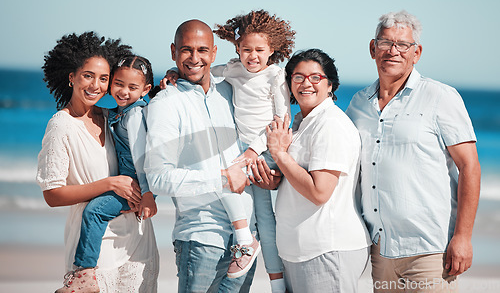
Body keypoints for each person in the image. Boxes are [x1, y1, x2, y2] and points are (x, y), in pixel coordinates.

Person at [346, 10, 481, 292]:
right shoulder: (358, 104)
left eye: (402, 45)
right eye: (385, 43)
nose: (393, 51)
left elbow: (469, 166)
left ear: (416, 52)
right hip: (380, 251)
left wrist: (463, 237)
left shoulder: (440, 96)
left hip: (430, 251)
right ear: (373, 49)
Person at [144, 19, 281, 292]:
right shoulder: (166, 103)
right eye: (186, 50)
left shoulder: (229, 92)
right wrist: (223, 178)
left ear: (215, 53)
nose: (195, 58)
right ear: (174, 51)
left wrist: (269, 177)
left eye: (202, 50)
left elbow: (256, 132)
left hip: (245, 244)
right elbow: (158, 178)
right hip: (202, 239)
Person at [37, 32, 159, 293]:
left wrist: (165, 86)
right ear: (72, 77)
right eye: (88, 75)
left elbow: (143, 115)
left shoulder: (111, 117)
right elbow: (52, 195)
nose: (95, 85)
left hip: (138, 242)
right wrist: (109, 184)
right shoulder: (61, 126)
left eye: (104, 78)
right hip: (96, 253)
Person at [267, 49, 371, 292]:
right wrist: (274, 177)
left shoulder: (330, 124)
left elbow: (319, 192)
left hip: (327, 249)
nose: (306, 84)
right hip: (300, 251)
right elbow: (297, 177)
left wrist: (279, 154)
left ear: (330, 85)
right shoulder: (301, 123)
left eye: (316, 78)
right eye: (298, 77)